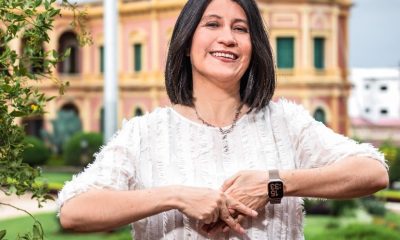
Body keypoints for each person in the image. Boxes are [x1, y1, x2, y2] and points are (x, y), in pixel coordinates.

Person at [57, 0, 389, 239]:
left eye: (240, 28)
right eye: (212, 24)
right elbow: (74, 210)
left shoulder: (284, 122)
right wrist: (176, 197)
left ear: (253, 46)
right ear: (186, 43)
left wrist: (274, 184)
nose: (227, 38)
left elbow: (372, 172)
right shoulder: (146, 133)